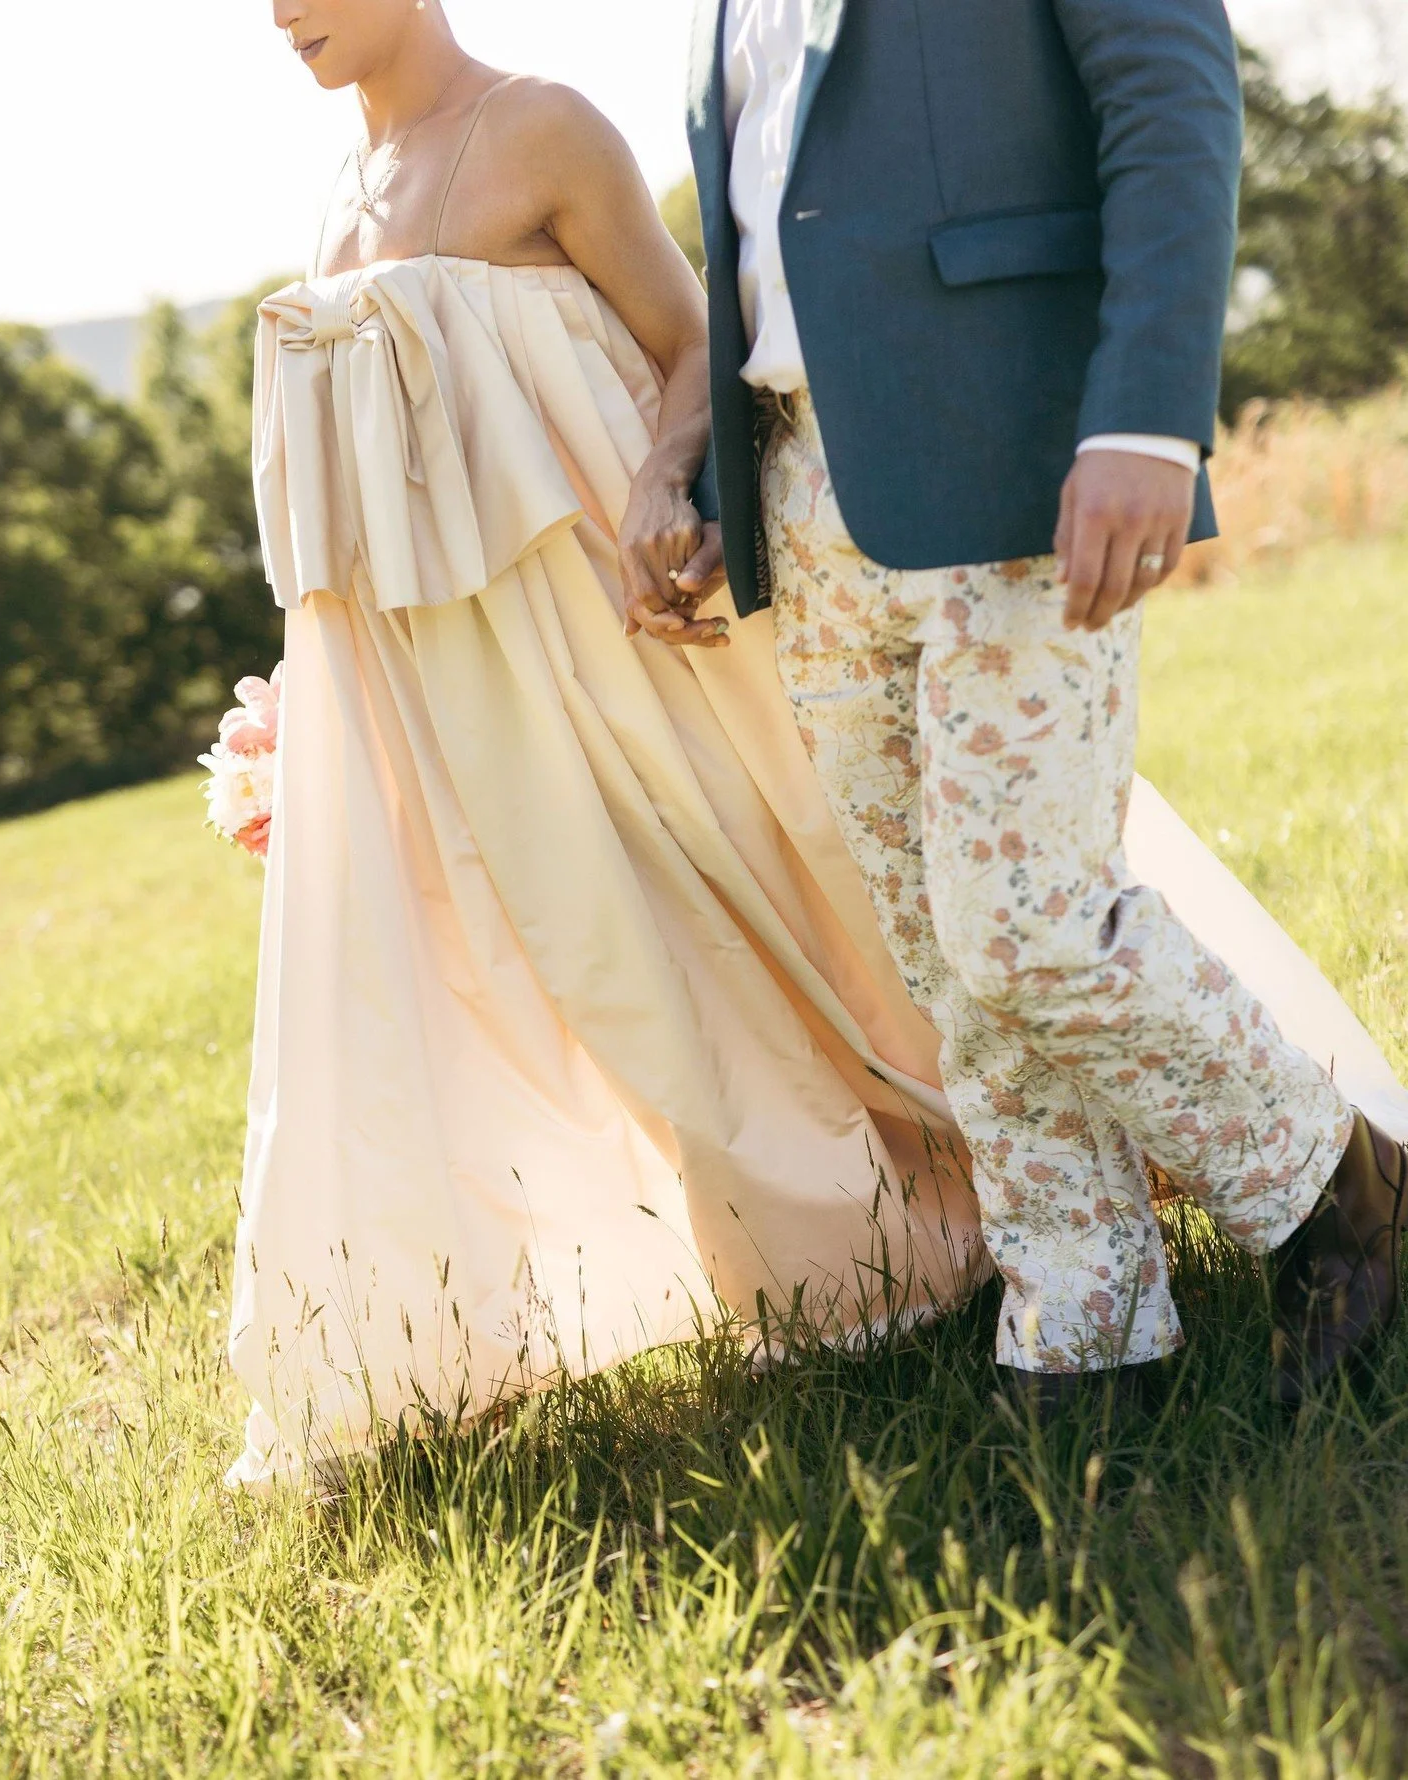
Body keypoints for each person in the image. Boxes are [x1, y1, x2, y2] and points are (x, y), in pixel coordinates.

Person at [233, 0, 997, 1489]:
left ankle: (910, 1216)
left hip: (603, 633)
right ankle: (499, 1309)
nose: (281, 11)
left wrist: (666, 477)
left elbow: (694, 335)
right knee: (553, 964)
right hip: (445, 691)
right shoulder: (340, 196)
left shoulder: (540, 126)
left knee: (730, 898)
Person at [663, 0, 1408, 1411]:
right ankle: (1084, 1323)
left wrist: (1142, 413)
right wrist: (716, 497)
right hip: (802, 491)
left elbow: (1173, 97)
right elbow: (767, 241)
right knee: (943, 955)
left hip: (1016, 442)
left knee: (1028, 927)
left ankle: (1336, 1176)